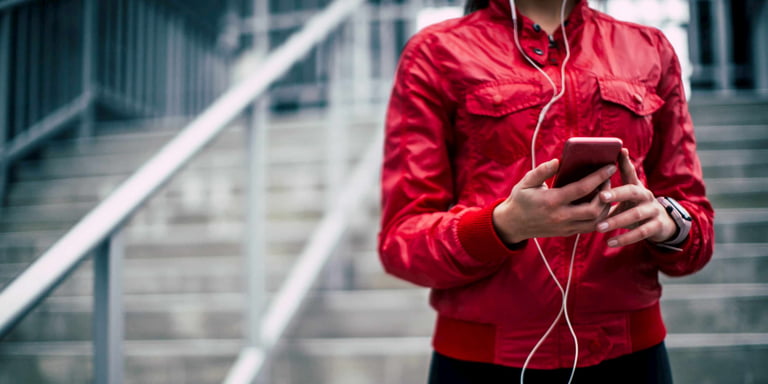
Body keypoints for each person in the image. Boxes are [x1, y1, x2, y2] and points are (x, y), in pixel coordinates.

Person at [378, 0, 715, 383]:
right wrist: (502, 226)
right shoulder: (436, 53)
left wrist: (669, 224)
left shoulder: (649, 48)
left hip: (629, 354)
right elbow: (401, 241)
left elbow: (696, 222)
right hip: (483, 360)